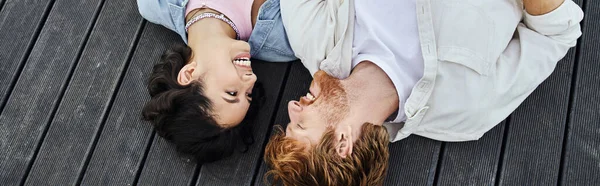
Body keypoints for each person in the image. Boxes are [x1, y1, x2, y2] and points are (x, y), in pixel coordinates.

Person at [264, 0, 584, 185]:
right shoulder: (467, 110)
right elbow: (555, 34)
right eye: (301, 125)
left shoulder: (312, 39)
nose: (293, 106)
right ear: (343, 143)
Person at [136, 0, 298, 163]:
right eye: (248, 94)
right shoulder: (287, 37)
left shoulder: (153, 4)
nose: (252, 79)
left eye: (232, 93)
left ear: (188, 74)